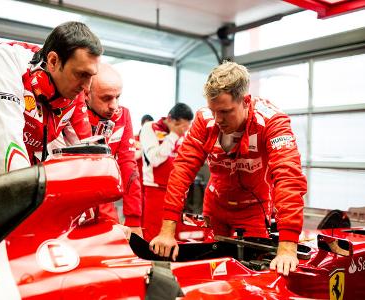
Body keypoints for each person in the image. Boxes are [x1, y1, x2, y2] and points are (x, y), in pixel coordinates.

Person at [149, 61, 307, 276]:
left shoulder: (273, 121)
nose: (218, 119)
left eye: (225, 111)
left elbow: (289, 178)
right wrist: (167, 231)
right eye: (214, 110)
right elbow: (182, 170)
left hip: (253, 210)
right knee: (211, 271)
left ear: (245, 101)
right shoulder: (204, 119)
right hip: (216, 208)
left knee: (253, 274)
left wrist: (288, 247)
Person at [0, 22, 103, 199]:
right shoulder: (6, 61)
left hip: (14, 180)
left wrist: (107, 220)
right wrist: (30, 200)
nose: (87, 87)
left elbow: (88, 155)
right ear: (53, 61)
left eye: (91, 76)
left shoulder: (72, 90)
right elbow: (5, 137)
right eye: (82, 74)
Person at [85, 63, 143, 237]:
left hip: (104, 202)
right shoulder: (71, 111)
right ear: (86, 94)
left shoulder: (122, 115)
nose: (114, 105)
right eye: (106, 98)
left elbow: (128, 165)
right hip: (74, 201)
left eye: (118, 96)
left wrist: (133, 220)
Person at [140, 103, 194, 241]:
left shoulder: (182, 133)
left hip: (177, 192)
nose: (183, 131)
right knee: (154, 236)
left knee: (175, 237)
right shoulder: (150, 128)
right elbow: (154, 159)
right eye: (181, 126)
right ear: (170, 119)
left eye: (186, 127)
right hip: (155, 190)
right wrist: (173, 135)